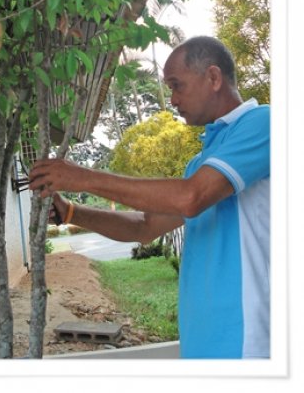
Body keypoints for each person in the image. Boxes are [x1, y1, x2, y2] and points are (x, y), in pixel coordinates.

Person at [29, 36, 270, 359]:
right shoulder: (201, 163)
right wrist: (70, 212)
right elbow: (144, 226)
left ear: (213, 78)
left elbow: (191, 197)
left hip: (247, 344)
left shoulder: (264, 123)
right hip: (203, 345)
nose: (172, 99)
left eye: (176, 85)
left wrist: (82, 177)